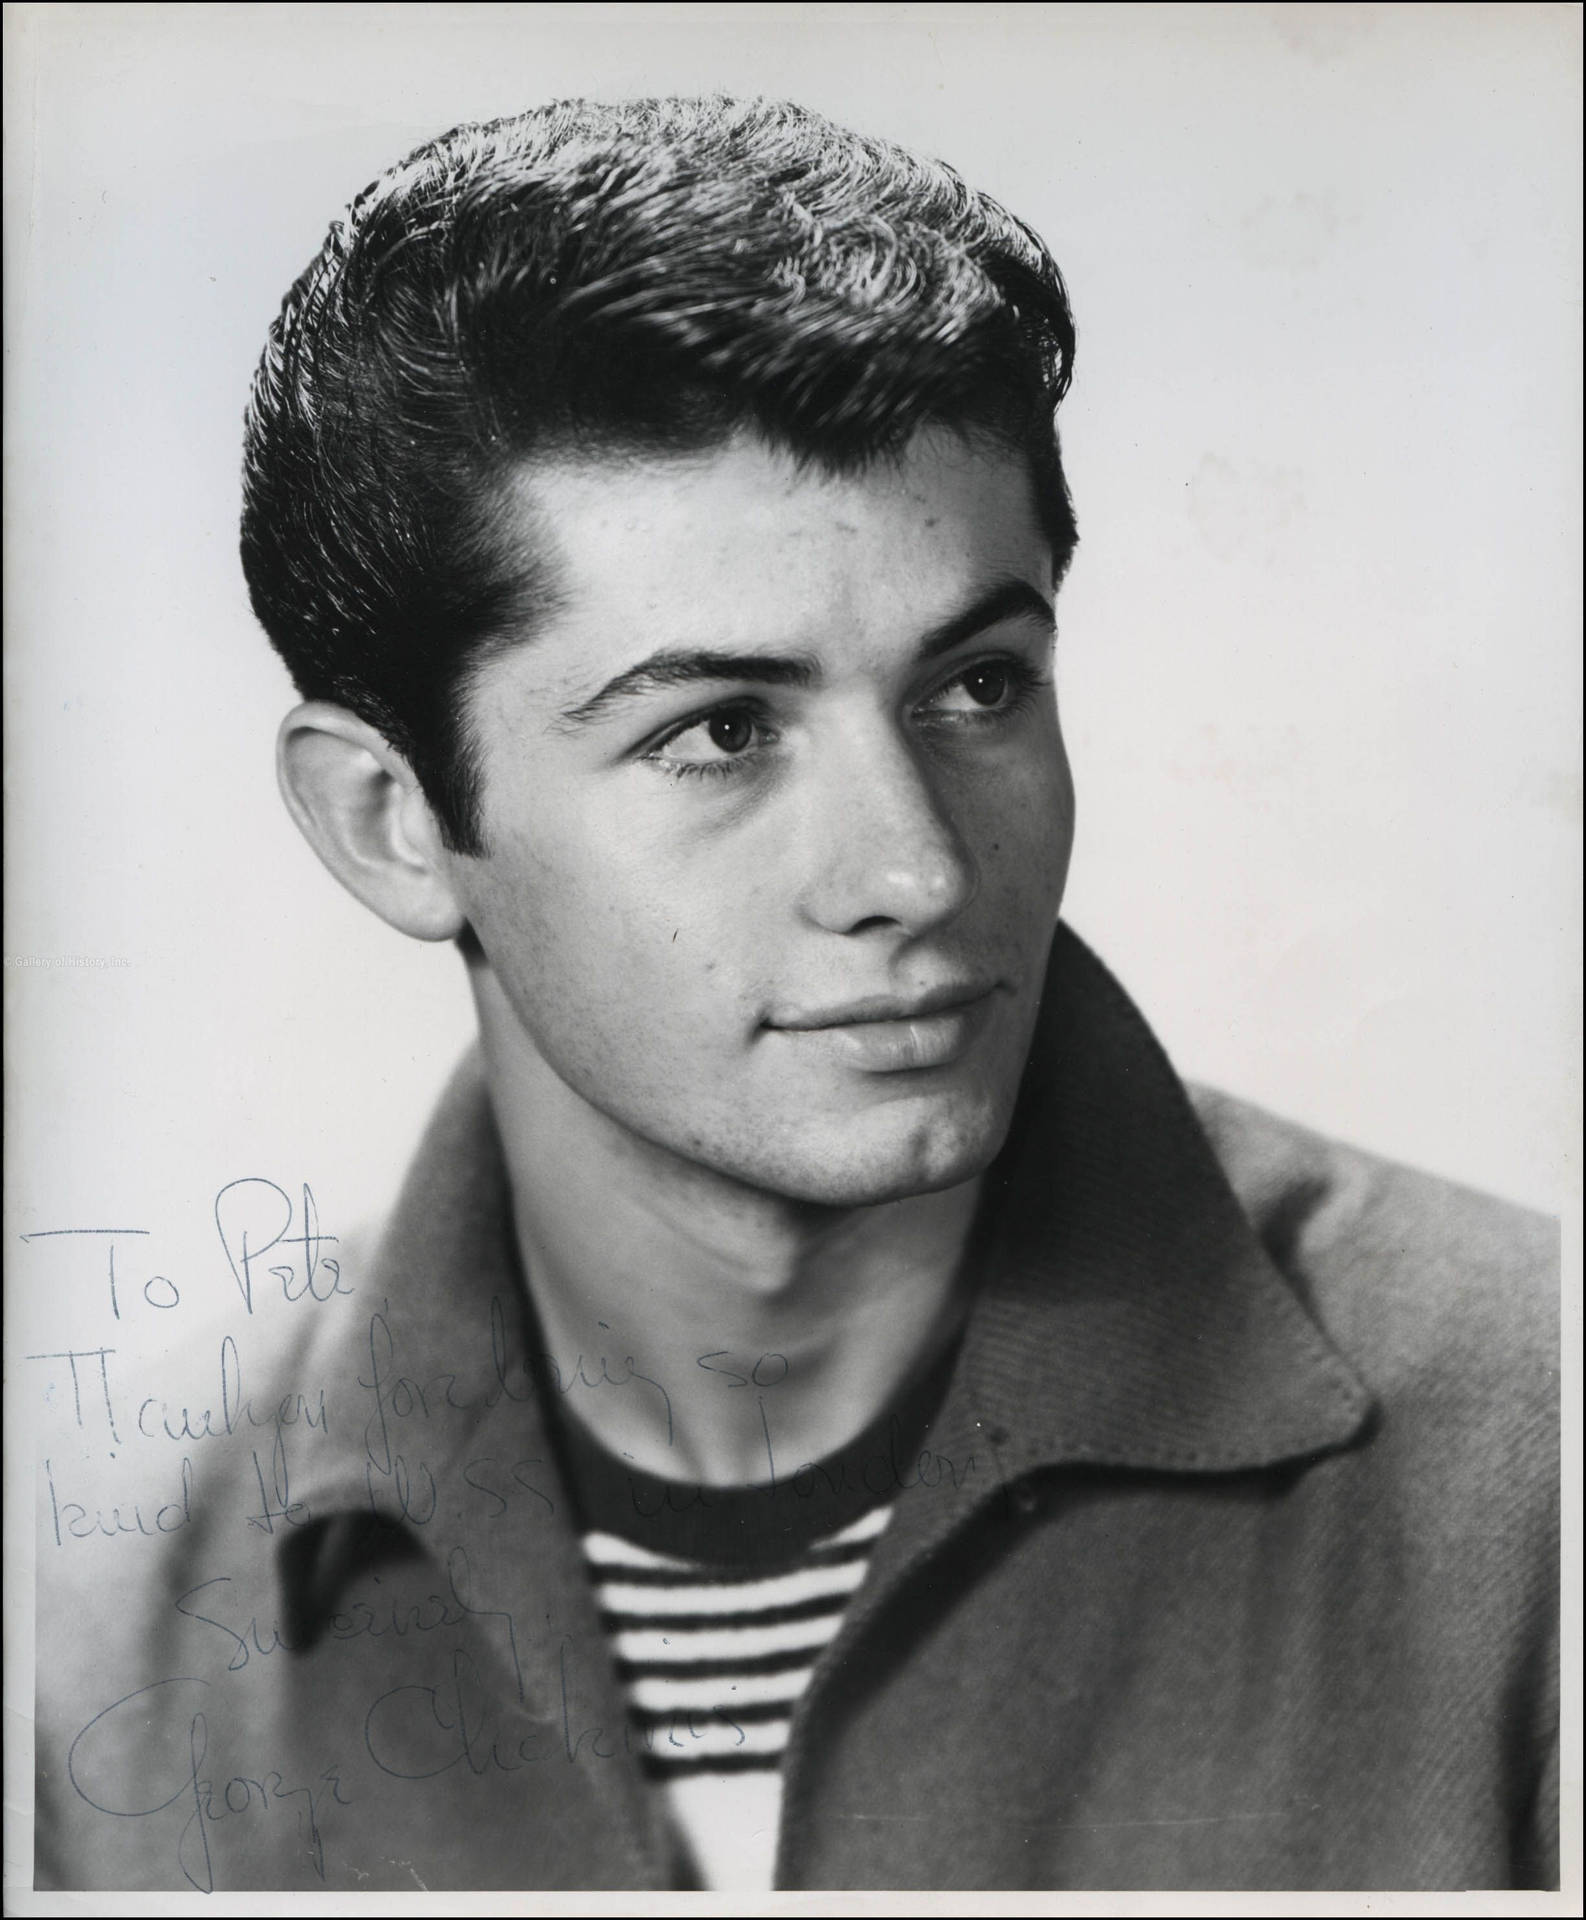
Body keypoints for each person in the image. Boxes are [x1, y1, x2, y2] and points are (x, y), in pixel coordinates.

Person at [33, 96, 1557, 1894]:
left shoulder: (1542, 1460)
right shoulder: (100, 1608)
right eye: (721, 733)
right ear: (388, 824)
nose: (912, 870)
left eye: (977, 686)